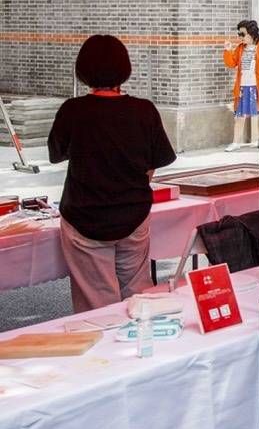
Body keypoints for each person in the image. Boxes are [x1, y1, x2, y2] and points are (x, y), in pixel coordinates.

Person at [47, 34, 176, 313]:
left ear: (83, 70)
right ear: (125, 69)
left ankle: (105, 354)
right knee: (138, 297)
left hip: (84, 218)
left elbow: (57, 154)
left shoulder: (73, 110)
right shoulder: (144, 110)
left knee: (97, 306)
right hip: (133, 214)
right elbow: (154, 163)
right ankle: (140, 351)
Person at [222, 19, 259, 151]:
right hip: (242, 87)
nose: (240, 37)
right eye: (239, 34)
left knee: (258, 114)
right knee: (239, 116)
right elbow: (231, 63)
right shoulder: (240, 48)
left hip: (257, 87)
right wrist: (227, 51)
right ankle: (236, 142)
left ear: (251, 34)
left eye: (242, 34)